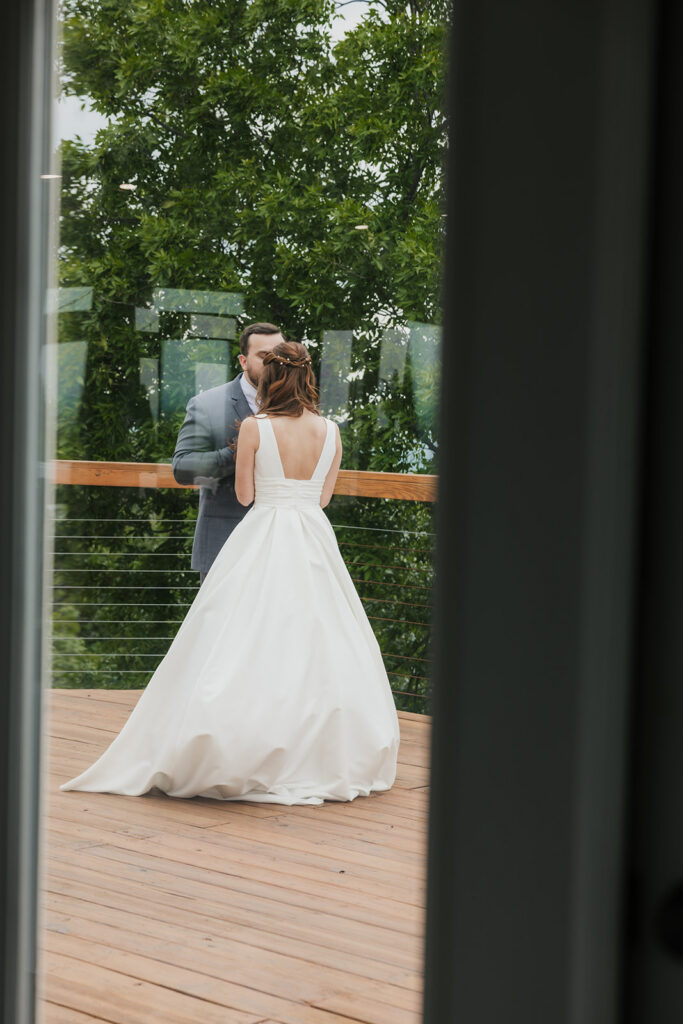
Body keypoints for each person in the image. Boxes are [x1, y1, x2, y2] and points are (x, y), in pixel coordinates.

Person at [60, 340, 400, 805]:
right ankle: (316, 749)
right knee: (319, 637)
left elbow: (244, 496)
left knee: (242, 636)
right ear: (308, 378)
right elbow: (322, 498)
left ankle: (245, 739)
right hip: (313, 538)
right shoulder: (331, 431)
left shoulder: (255, 427)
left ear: (271, 379)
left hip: (264, 534)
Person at [172, 321, 284, 582]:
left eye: (278, 356)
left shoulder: (298, 408)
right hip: (224, 545)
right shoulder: (207, 404)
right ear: (243, 361)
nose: (273, 363)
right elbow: (182, 468)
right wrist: (239, 452)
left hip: (282, 548)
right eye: (264, 356)